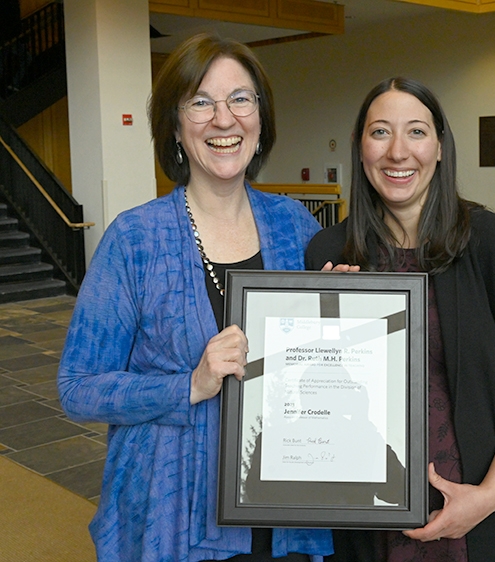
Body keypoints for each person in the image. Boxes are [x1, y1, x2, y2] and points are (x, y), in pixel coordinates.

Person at [58, 33, 339, 562]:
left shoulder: (295, 227)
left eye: (240, 98)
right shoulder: (134, 239)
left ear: (261, 116)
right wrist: (189, 385)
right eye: (201, 102)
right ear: (175, 125)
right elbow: (78, 388)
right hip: (175, 512)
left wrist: (347, 311)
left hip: (287, 510)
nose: (224, 119)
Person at [305, 77, 495, 562]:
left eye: (417, 132)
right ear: (361, 149)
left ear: (441, 148)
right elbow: (315, 392)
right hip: (365, 523)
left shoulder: (494, 244)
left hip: (484, 518)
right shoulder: (328, 252)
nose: (398, 152)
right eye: (380, 132)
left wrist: (486, 497)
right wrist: (325, 323)